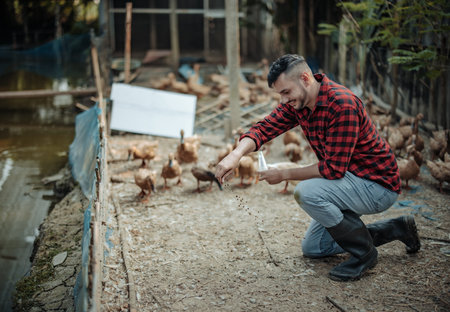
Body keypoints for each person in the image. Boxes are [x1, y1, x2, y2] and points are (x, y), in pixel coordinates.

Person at [215, 54, 420, 281]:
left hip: (376, 185)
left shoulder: (342, 104)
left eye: (286, 92)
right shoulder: (300, 103)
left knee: (306, 192)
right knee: (315, 248)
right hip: (348, 180)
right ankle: (397, 228)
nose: (283, 100)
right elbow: (265, 128)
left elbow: (333, 169)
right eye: (280, 94)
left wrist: (284, 174)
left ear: (305, 78)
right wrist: (235, 155)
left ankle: (365, 254)